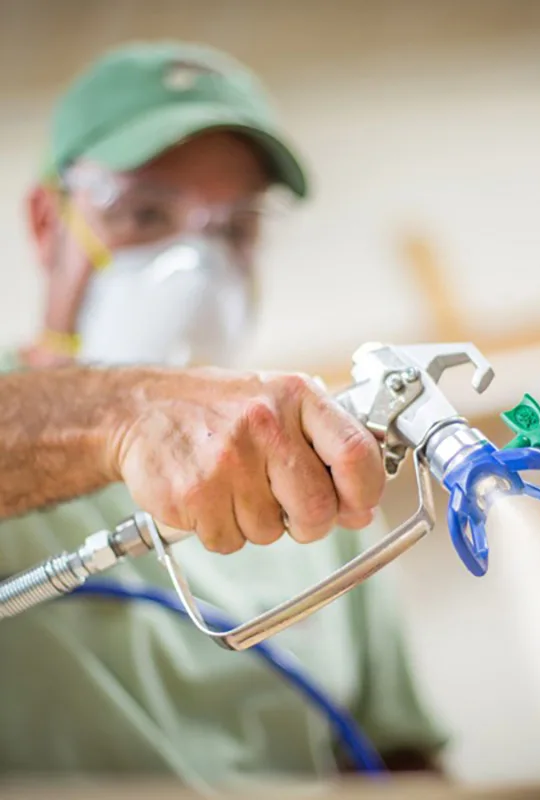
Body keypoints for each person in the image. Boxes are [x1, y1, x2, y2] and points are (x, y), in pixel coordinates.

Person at [0, 41, 447, 787]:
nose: (196, 265)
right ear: (50, 223)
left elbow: (398, 759)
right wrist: (124, 411)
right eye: (145, 213)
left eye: (234, 229)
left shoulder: (310, 475)